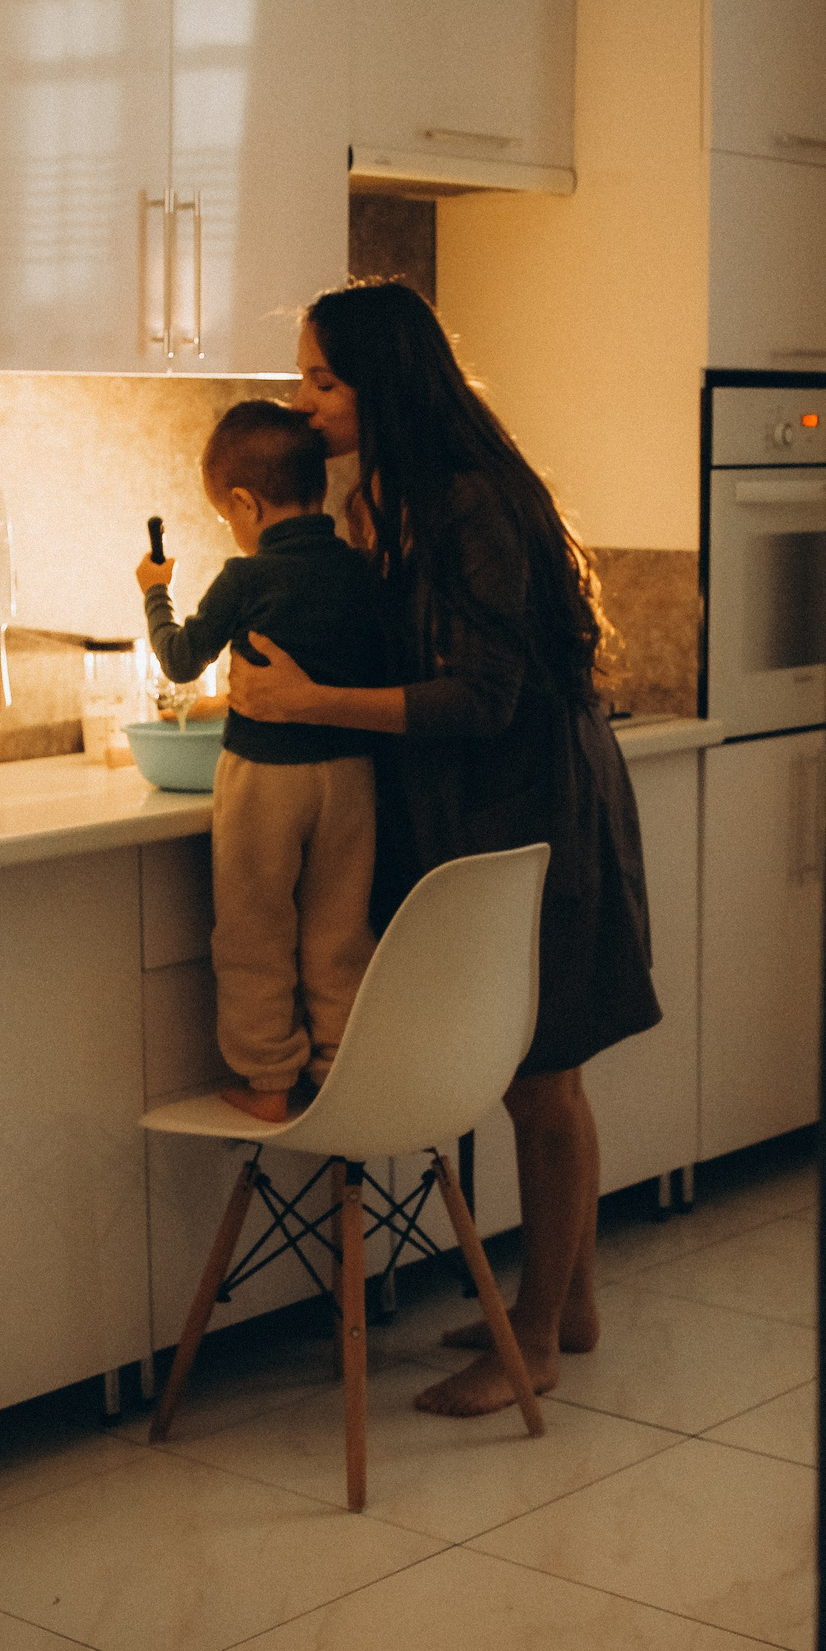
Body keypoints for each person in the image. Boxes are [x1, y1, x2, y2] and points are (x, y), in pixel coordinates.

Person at [225, 281, 661, 1417]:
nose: (305, 399)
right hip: (496, 804)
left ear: (385, 382)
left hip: (532, 807)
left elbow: (480, 696)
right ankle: (566, 1307)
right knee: (538, 1070)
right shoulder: (406, 495)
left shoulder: (463, 502)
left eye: (324, 378)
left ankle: (538, 1337)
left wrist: (314, 701)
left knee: (539, 1075)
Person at [136, 399, 394, 1124]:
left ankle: (270, 1078)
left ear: (245, 503)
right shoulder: (357, 571)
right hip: (350, 773)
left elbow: (183, 660)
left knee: (254, 931)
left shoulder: (244, 579)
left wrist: (156, 593)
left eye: (228, 514)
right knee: (339, 929)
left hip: (266, 777)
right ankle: (340, 1070)